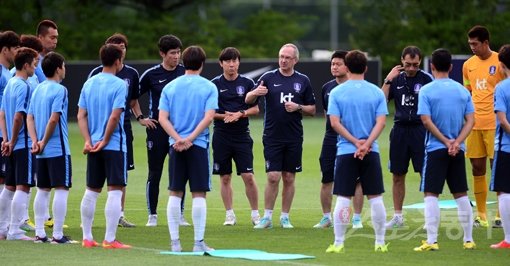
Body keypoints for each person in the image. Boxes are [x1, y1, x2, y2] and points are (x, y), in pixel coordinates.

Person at [246, 43, 316, 229]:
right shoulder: (268, 77)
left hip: (293, 136)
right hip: (272, 135)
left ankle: (285, 216)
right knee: (273, 176)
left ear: (295, 60)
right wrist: (255, 93)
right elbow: (247, 100)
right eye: (281, 56)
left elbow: (312, 109)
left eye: (287, 57)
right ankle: (267, 217)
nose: (283, 60)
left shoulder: (303, 80)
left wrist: (298, 107)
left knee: (289, 178)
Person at [325, 50, 388, 253]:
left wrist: (355, 142)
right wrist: (367, 143)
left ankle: (339, 243)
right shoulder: (376, 92)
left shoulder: (337, 92)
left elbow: (335, 123)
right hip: (371, 150)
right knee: (376, 197)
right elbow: (381, 122)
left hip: (345, 151)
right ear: (366, 68)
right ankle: (379, 243)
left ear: (347, 67)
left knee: (343, 197)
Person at [414, 48, 475, 251]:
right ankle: (468, 239)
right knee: (461, 194)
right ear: (451, 66)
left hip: (435, 148)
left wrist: (445, 141)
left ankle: (432, 241)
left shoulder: (426, 90)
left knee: (431, 194)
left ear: (432, 66)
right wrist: (456, 142)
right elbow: (470, 120)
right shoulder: (462, 90)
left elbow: (425, 119)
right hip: (458, 149)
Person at [159, 45, 218, 252]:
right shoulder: (209, 87)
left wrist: (178, 139)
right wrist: (191, 138)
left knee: (175, 192)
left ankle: (175, 243)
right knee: (199, 193)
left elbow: (162, 118)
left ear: (184, 62)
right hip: (198, 145)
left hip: (175, 146)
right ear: (202, 63)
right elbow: (209, 116)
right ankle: (198, 242)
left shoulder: (170, 87)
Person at [78, 44, 131, 249]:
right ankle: (109, 239)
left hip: (93, 146)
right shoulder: (119, 85)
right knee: (115, 190)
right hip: (113, 144)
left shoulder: (89, 83)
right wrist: (106, 140)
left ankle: (87, 237)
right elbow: (115, 115)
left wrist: (88, 141)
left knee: (91, 190)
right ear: (118, 61)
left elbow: (82, 115)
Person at [137, 35, 189, 227]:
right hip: (157, 130)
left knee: (180, 172)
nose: (177, 57)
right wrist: (141, 118)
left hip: (180, 130)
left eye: (178, 52)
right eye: (173, 53)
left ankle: (180, 215)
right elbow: (132, 97)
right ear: (162, 54)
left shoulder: (185, 72)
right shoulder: (151, 75)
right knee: (155, 172)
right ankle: (152, 215)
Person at [88, 33, 138, 228]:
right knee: (111, 182)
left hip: (119, 128)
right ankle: (109, 233)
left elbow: (132, 101)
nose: (121, 49)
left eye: (123, 46)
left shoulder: (131, 74)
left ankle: (117, 216)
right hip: (108, 130)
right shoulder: (100, 76)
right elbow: (113, 114)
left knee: (119, 175)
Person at [381, 46, 433, 229]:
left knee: (424, 174)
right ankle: (397, 217)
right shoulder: (394, 79)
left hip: (420, 130)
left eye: (415, 65)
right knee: (397, 175)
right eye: (408, 64)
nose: (411, 68)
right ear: (401, 60)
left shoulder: (427, 79)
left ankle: (429, 218)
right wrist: (388, 79)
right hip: (400, 130)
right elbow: (380, 101)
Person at [27, 51, 75, 244]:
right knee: (62, 188)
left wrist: (35, 141)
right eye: (63, 66)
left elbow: (29, 117)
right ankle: (57, 235)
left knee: (43, 189)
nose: (65, 69)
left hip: (39, 149)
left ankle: (39, 233)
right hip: (57, 148)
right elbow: (54, 118)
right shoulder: (60, 90)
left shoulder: (38, 88)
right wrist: (44, 141)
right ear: (58, 69)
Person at [314, 50, 364, 229]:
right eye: (332, 64)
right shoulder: (327, 88)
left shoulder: (356, 87)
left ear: (347, 66)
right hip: (331, 137)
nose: (334, 67)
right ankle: (326, 217)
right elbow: (327, 114)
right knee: (326, 177)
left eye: (338, 64)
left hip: (352, 138)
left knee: (357, 179)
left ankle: (357, 218)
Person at [211, 47, 260, 226]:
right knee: (224, 177)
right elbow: (209, 113)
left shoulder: (248, 83)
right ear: (221, 64)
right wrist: (226, 116)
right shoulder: (214, 84)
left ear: (239, 62)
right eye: (228, 61)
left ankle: (255, 214)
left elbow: (255, 109)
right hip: (221, 135)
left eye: (235, 61)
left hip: (242, 136)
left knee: (248, 175)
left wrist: (240, 113)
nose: (231, 65)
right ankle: (229, 214)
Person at [462, 25, 504, 228]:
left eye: (475, 44)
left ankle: (500, 214)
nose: (472, 47)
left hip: (495, 124)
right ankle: (481, 215)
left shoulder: (500, 61)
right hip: (474, 124)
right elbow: (467, 92)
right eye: (470, 44)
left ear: (486, 42)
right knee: (477, 167)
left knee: (497, 168)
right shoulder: (468, 64)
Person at [0, 47, 39, 241]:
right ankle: (15, 229)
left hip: (11, 143)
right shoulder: (24, 86)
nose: (35, 67)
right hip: (22, 143)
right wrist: (14, 140)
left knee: (9, 187)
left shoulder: (10, 83)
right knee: (23, 186)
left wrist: (6, 140)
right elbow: (17, 117)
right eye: (34, 64)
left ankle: (2, 229)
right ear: (26, 65)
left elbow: (2, 115)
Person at [491, 44, 510, 249]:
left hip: (506, 147)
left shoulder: (501, 88)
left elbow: (503, 120)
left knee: (504, 191)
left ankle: (508, 239)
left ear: (502, 65)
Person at [0, 31, 19, 197]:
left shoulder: (8, 72)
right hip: (1, 133)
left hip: (6, 132)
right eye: (15, 48)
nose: (17, 51)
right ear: (5, 50)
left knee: (7, 179)